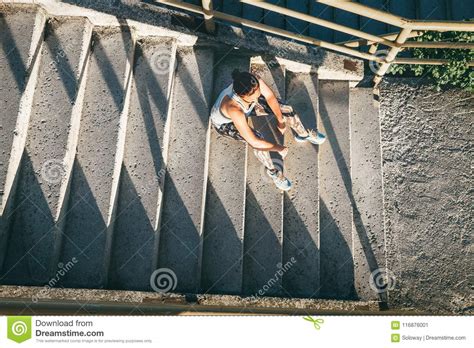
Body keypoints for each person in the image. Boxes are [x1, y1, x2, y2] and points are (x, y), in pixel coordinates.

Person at [209, 69, 326, 191]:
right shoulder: (234, 109)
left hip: (247, 107)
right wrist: (278, 147)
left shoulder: (251, 82)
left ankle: (303, 134)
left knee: (286, 109)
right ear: (243, 96)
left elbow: (269, 96)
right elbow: (254, 141)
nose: (259, 96)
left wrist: (281, 121)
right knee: (259, 140)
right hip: (226, 124)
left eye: (259, 92)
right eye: (255, 96)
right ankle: (273, 171)